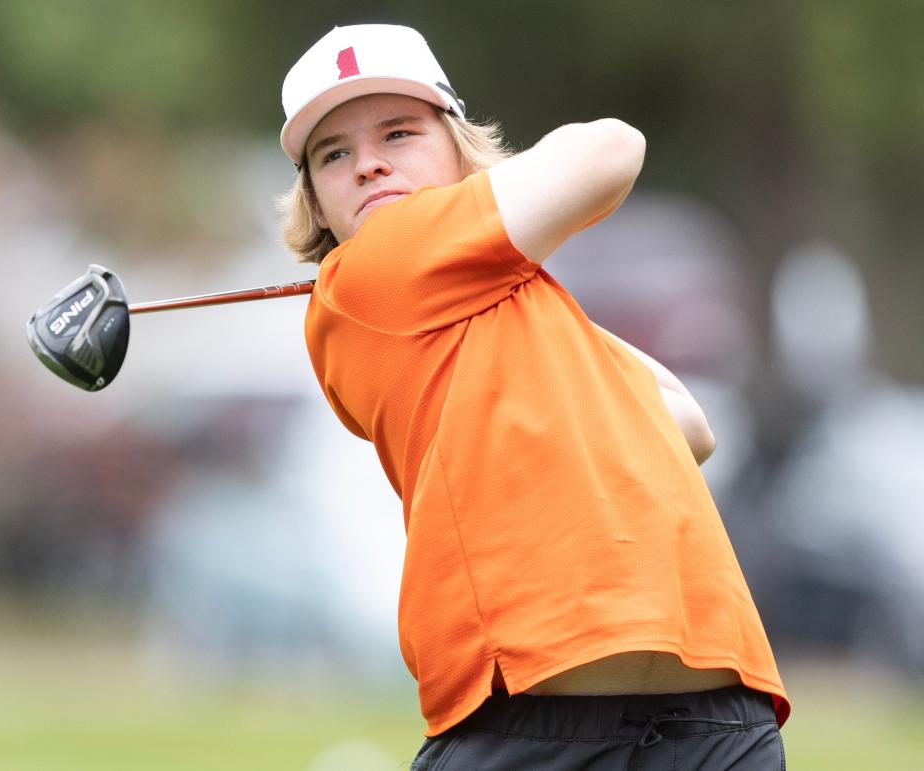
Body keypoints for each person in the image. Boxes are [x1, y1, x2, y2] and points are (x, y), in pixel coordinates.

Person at [278, 23, 789, 770]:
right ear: (318, 207)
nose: (369, 166)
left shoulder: (515, 297)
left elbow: (685, 421)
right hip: (530, 728)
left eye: (398, 133)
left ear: (458, 147)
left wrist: (533, 302)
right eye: (334, 155)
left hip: (714, 722)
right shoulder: (370, 272)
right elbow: (612, 147)